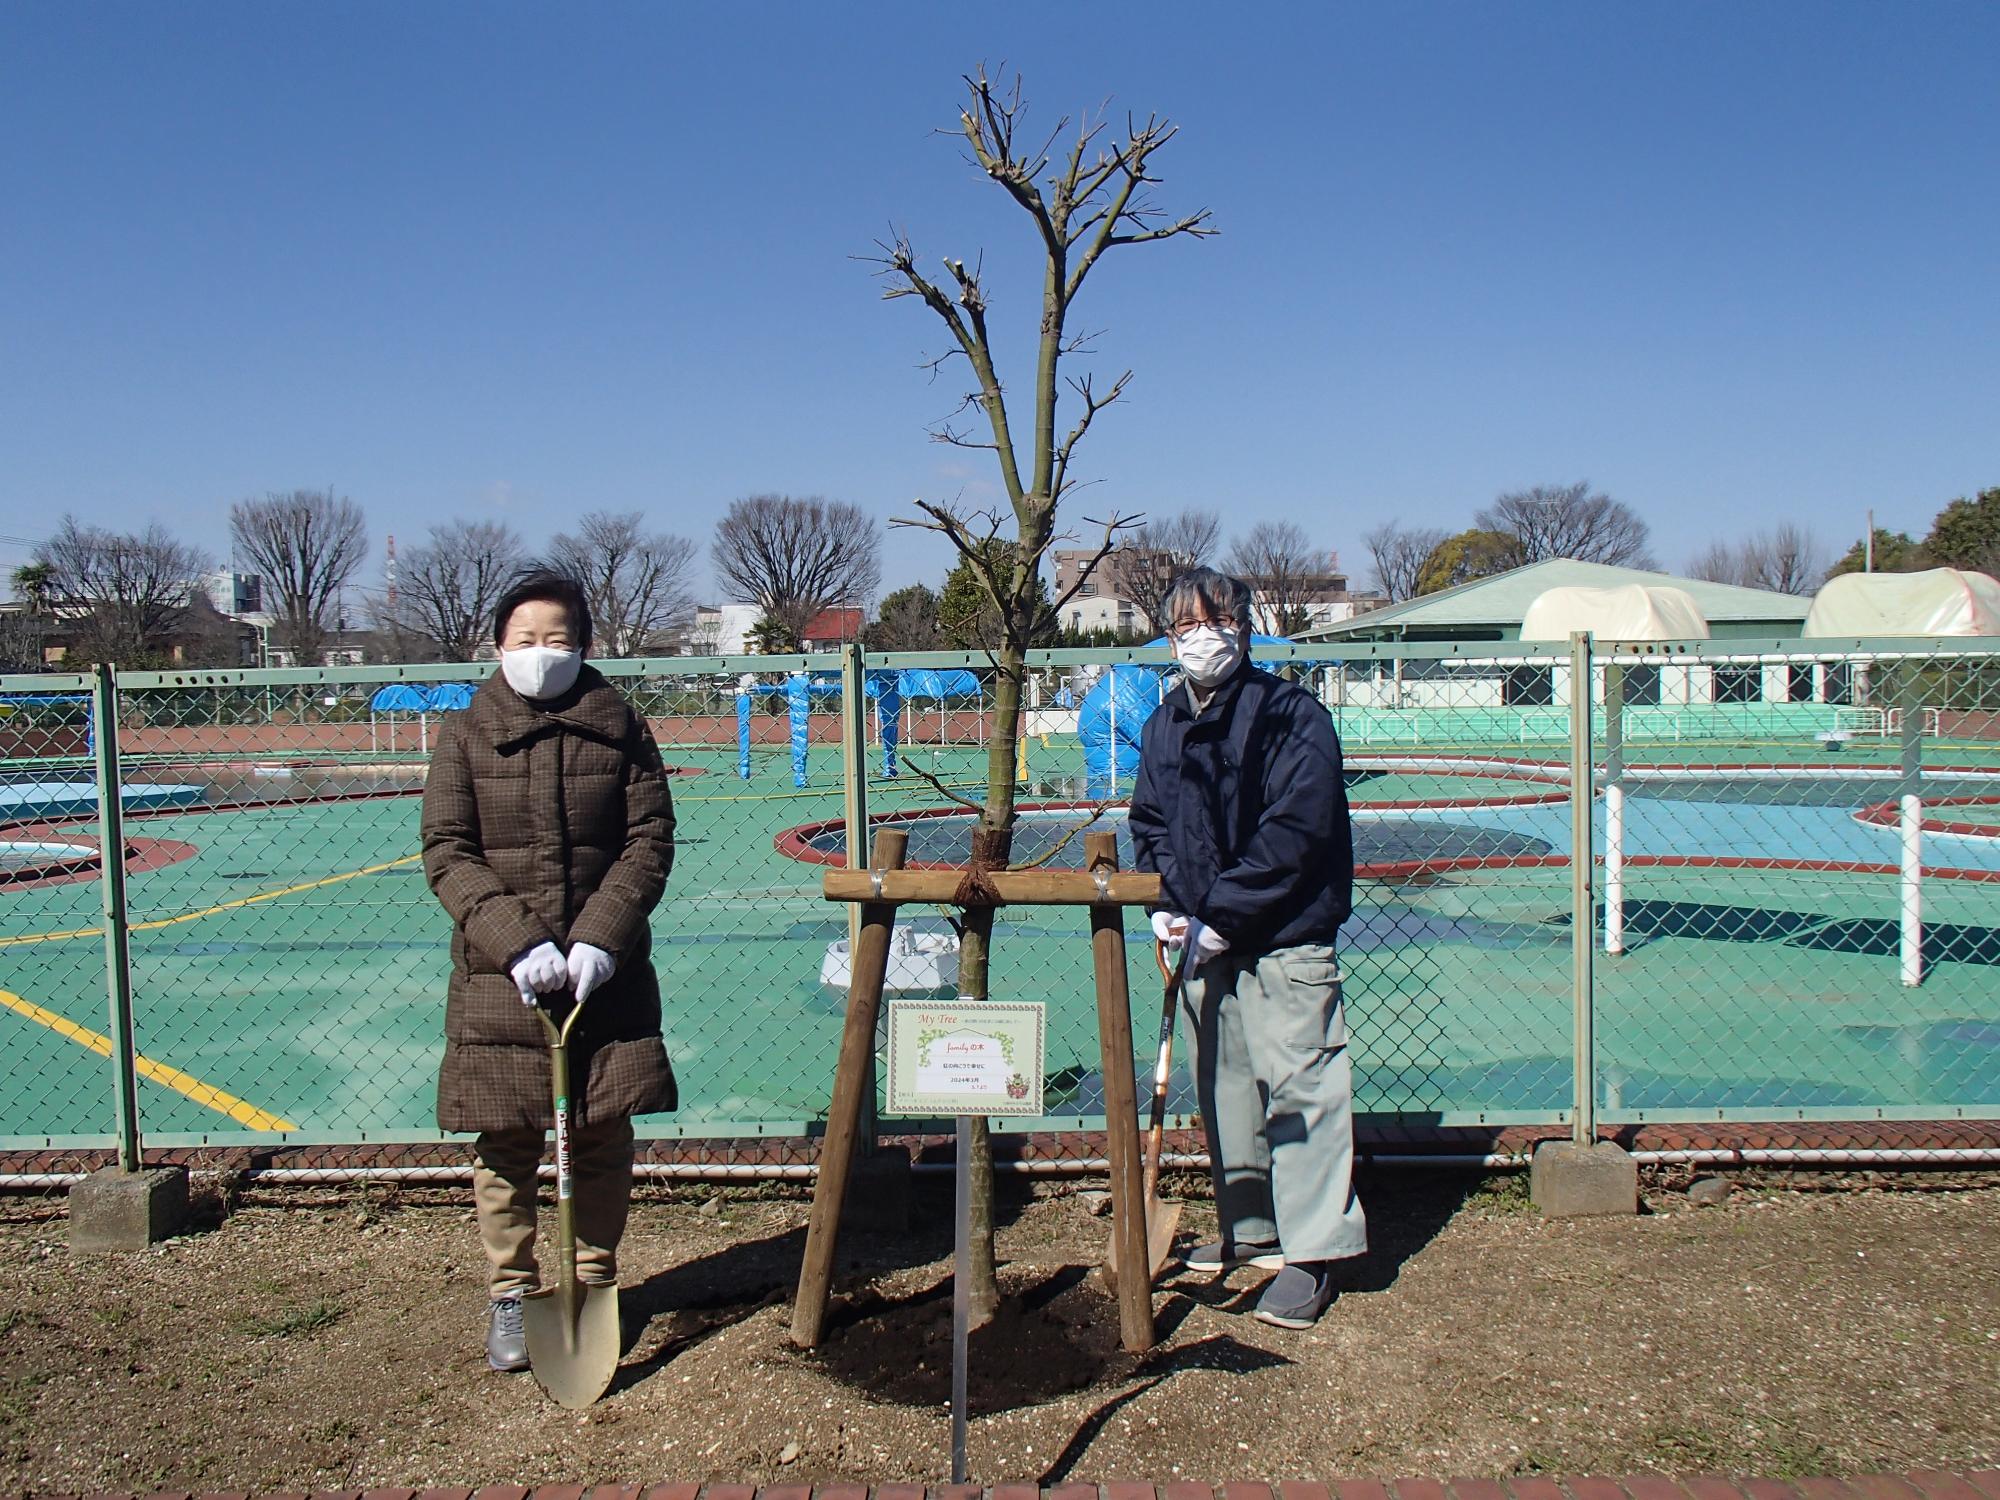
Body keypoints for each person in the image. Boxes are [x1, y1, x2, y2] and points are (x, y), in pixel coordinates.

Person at [420, 568, 677, 1372]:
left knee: (600, 1133)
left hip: (604, 978)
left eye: (558, 640)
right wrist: (517, 942)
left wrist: (600, 939)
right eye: (525, 639)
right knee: (505, 1144)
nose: (541, 654)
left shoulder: (624, 729)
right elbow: (447, 852)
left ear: (586, 646)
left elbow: (649, 841)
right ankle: (512, 1292)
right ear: (498, 646)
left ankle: (595, 1283)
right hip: (503, 983)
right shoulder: (464, 735)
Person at [1127, 566, 1365, 1329]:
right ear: (1169, 638)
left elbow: (1298, 829)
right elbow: (1151, 821)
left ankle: (1315, 1253)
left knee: (1300, 1085)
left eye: (1217, 620)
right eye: (1187, 626)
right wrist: (1166, 900)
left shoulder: (1290, 715)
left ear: (1245, 627)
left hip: (1284, 935)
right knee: (1224, 1087)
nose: (1203, 637)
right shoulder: (1166, 721)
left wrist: (1226, 910)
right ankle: (1252, 1230)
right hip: (1201, 938)